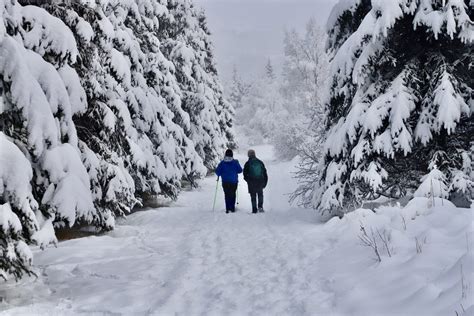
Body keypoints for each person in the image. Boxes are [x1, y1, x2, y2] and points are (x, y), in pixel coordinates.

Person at [215, 149, 243, 213]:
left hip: (225, 182)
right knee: (233, 194)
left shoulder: (222, 163)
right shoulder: (235, 162)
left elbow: (217, 172)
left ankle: (227, 208)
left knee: (226, 194)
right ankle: (232, 208)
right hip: (234, 182)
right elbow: (240, 170)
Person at [243, 149, 268, 213]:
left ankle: (254, 209)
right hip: (260, 181)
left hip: (251, 181)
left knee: (253, 195)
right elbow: (265, 173)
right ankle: (260, 207)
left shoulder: (247, 163)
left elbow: (244, 174)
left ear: (248, 155)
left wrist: (248, 180)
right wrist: (265, 182)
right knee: (260, 194)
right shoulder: (260, 162)